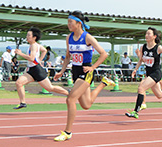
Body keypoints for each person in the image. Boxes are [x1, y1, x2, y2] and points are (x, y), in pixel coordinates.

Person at [53, 11, 115, 142]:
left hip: (86, 72)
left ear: (79, 23)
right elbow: (68, 56)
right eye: (68, 21)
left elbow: (104, 54)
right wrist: (62, 71)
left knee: (70, 99)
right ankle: (103, 83)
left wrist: (93, 68)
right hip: (75, 71)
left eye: (71, 22)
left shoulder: (87, 37)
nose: (68, 24)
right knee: (86, 105)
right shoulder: (69, 37)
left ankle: (67, 132)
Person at [125, 27, 162, 119]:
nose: (146, 35)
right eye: (146, 33)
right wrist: (135, 69)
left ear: (154, 36)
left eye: (149, 34)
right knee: (160, 95)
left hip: (156, 73)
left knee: (141, 88)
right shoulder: (143, 47)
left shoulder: (158, 48)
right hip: (149, 74)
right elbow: (141, 60)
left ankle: (135, 111)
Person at [13, 27, 69, 109]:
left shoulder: (34, 46)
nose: (27, 37)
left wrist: (20, 54)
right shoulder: (36, 45)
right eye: (27, 35)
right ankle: (23, 102)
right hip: (32, 70)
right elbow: (44, 51)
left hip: (37, 70)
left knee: (50, 88)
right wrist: (39, 60)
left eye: (29, 35)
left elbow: (31, 58)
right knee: (19, 83)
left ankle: (69, 93)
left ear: (34, 37)